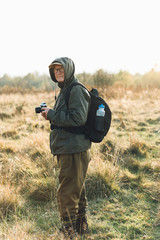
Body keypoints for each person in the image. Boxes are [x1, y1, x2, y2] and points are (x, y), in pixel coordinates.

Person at [41, 57, 91, 239]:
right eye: (55, 70)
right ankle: (81, 225)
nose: (58, 72)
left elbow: (78, 118)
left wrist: (53, 114)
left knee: (67, 190)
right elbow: (68, 117)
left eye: (61, 69)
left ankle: (68, 230)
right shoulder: (65, 89)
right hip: (68, 147)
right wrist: (51, 115)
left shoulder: (76, 90)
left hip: (73, 148)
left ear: (69, 70)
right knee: (77, 186)